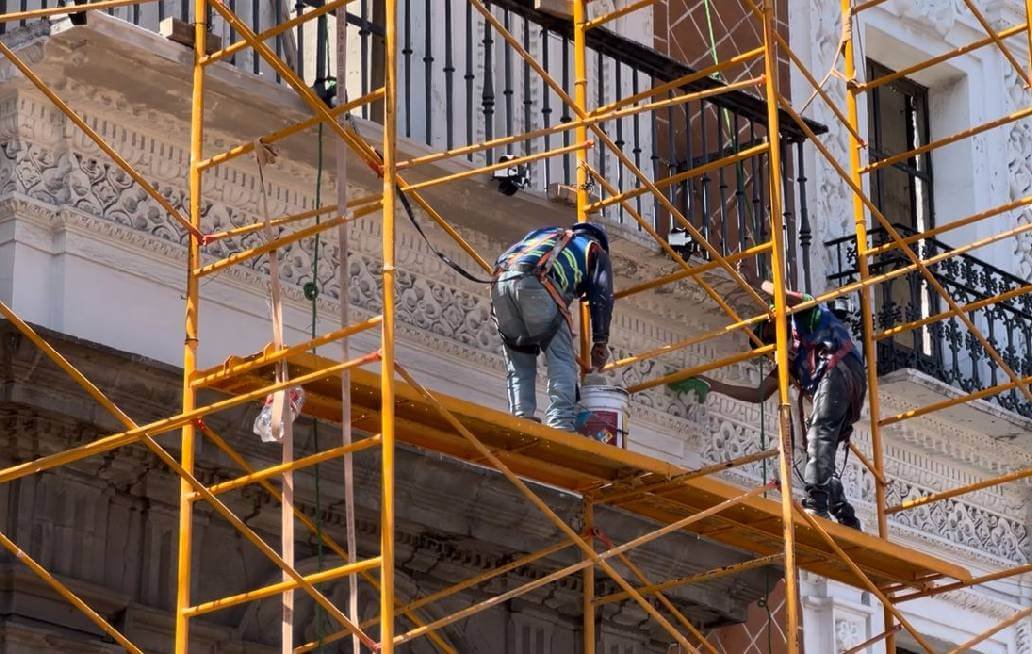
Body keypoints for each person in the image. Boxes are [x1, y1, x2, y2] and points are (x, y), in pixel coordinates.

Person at [681, 263, 866, 529]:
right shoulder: (792, 360)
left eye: (771, 340)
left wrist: (756, 281)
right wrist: (714, 386)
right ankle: (845, 514)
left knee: (819, 435)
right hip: (846, 382)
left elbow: (783, 295)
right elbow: (759, 394)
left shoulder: (808, 315)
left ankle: (817, 503)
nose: (774, 350)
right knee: (821, 450)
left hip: (839, 368)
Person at [491, 223, 613, 431]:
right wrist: (600, 341)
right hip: (537, 282)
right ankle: (561, 422)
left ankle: (521, 417)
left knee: (518, 355)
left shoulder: (544, 234)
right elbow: (602, 297)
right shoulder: (593, 248)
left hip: (500, 282)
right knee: (561, 357)